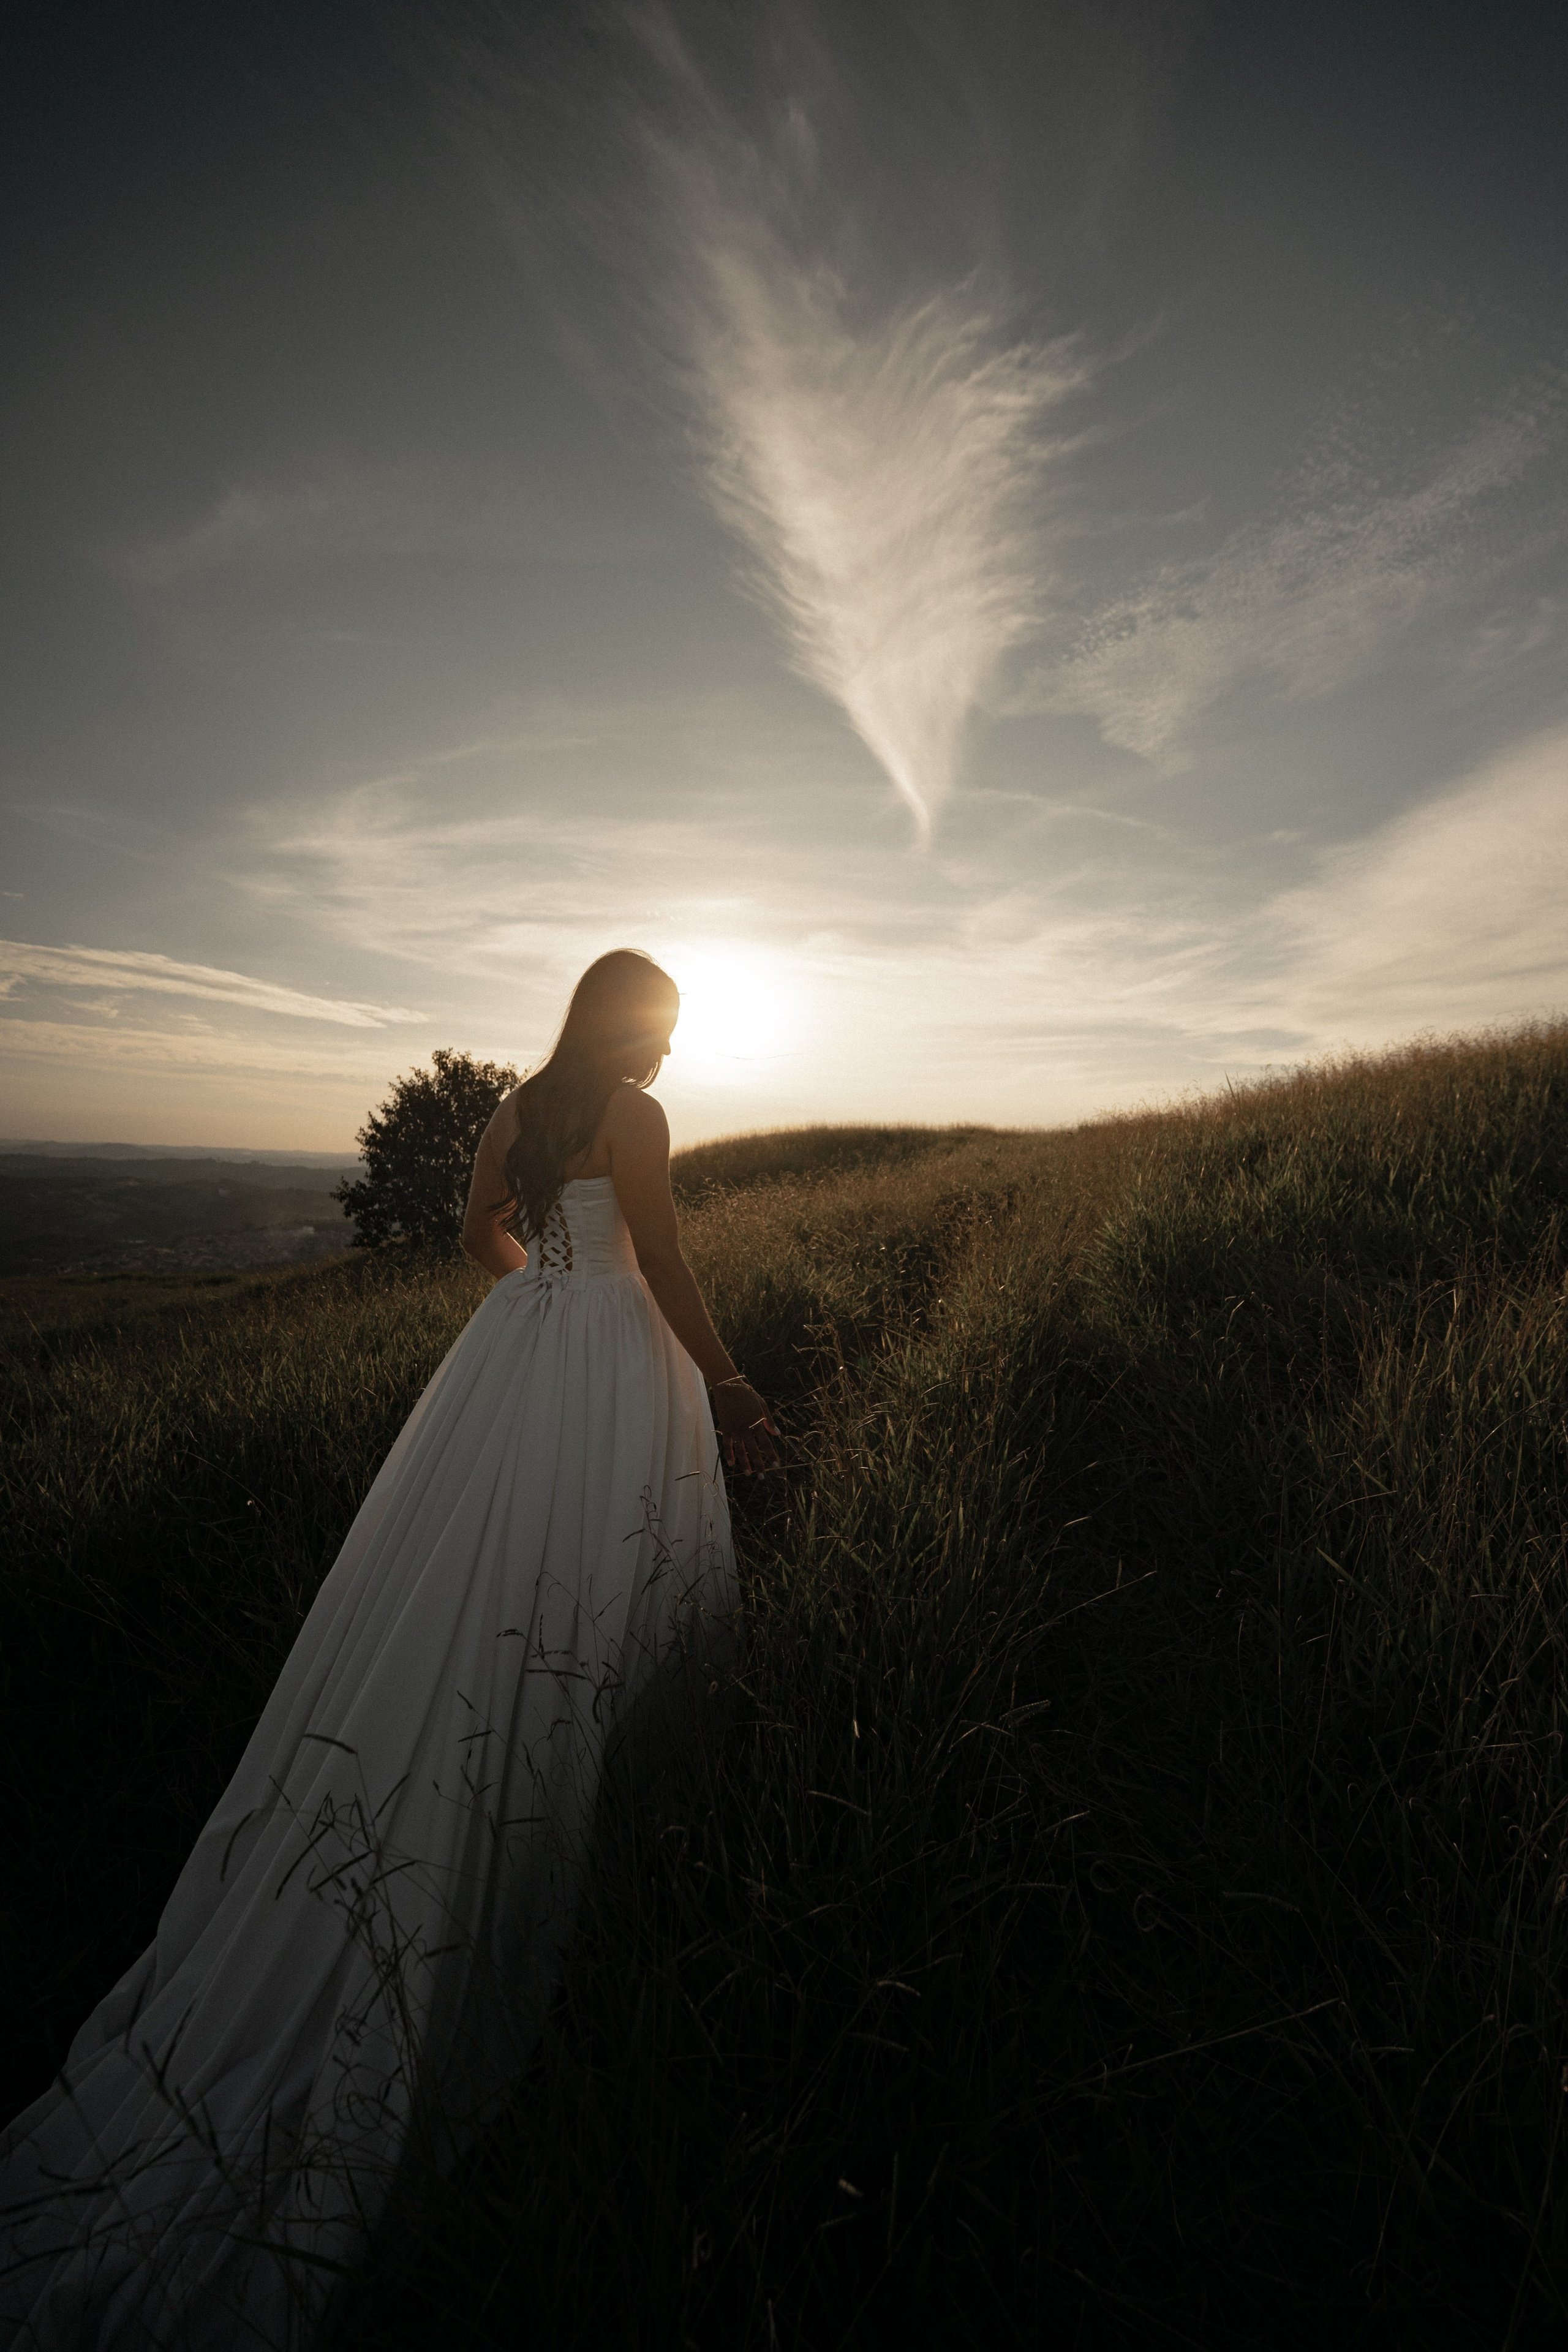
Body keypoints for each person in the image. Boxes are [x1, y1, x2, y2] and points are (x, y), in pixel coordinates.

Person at [0, 950, 777, 2351]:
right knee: (601, 1566)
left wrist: (539, 1294)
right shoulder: (636, 1115)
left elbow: (479, 1234)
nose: (666, 1044)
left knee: (483, 1569)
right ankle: (605, 1815)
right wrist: (722, 1383)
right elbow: (661, 1260)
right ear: (637, 1026)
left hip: (515, 1351)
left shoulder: (514, 1107)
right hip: (612, 1355)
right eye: (662, 1022)